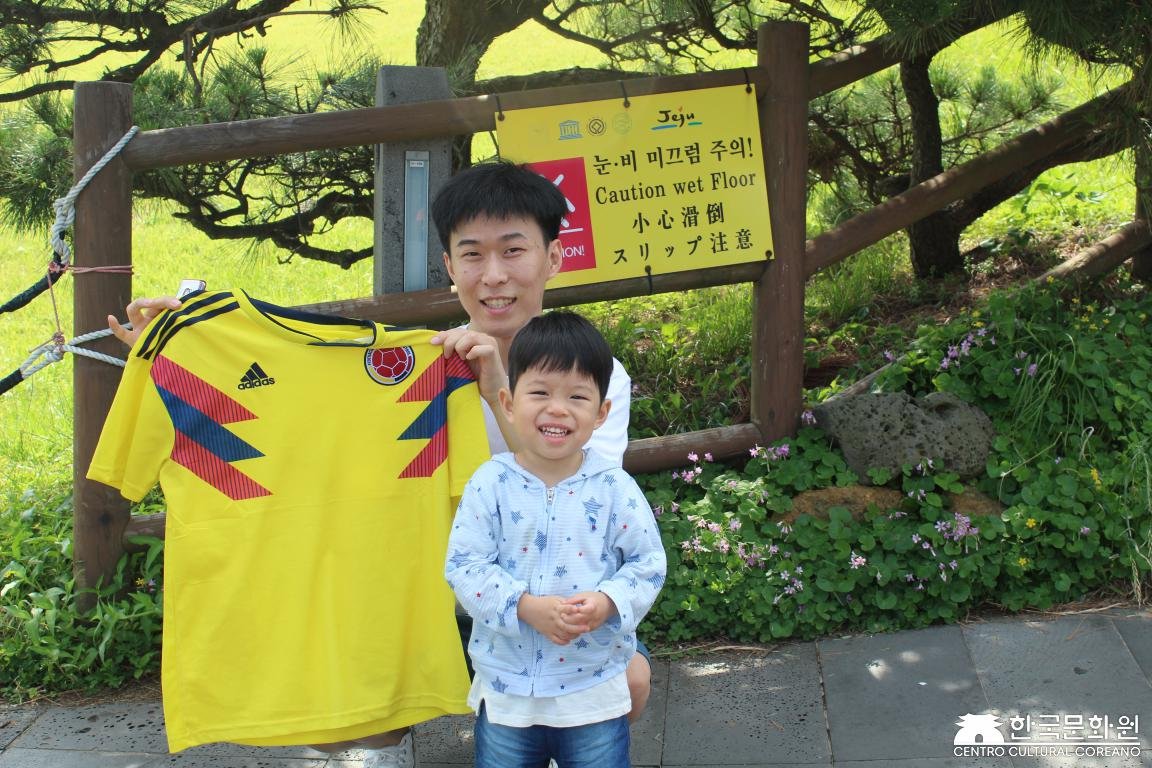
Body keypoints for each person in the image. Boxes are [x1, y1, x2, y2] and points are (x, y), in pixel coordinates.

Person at [108, 161, 654, 767]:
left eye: (513, 250)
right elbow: (298, 395)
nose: (494, 275)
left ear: (553, 257)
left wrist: (497, 385)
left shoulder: (591, 379)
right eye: (472, 254)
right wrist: (182, 354)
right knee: (346, 719)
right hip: (436, 591)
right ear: (449, 266)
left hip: (552, 594)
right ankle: (406, 735)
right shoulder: (420, 367)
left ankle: (553, 730)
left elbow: (574, 483)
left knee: (629, 680)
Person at [445, 310, 666, 768]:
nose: (557, 409)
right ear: (508, 402)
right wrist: (523, 606)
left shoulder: (613, 488)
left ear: (601, 413)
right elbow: (464, 566)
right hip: (507, 691)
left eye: (577, 396)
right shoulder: (490, 483)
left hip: (593, 688)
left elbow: (647, 563)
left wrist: (608, 601)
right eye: (540, 392)